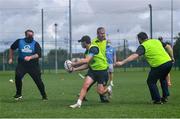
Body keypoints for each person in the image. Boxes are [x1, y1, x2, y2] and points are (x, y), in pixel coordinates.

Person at [115, 32, 173, 104]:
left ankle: (157, 100)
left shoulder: (143, 45)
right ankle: (165, 97)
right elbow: (169, 47)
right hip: (169, 62)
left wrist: (122, 62)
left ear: (139, 39)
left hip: (159, 65)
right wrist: (172, 57)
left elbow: (135, 55)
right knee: (163, 78)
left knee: (151, 81)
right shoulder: (156, 41)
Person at [69, 35, 112, 108]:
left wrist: (73, 64)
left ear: (85, 42)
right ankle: (78, 103)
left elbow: (86, 60)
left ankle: (108, 89)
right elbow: (87, 65)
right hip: (93, 71)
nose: (81, 44)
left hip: (102, 71)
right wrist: (74, 69)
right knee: (85, 85)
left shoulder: (93, 48)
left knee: (100, 92)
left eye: (81, 42)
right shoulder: (86, 52)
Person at [9, 29, 47, 101]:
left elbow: (39, 54)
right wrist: (10, 58)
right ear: (26, 35)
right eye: (29, 35)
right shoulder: (19, 41)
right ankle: (18, 94)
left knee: (38, 81)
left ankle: (44, 95)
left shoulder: (35, 43)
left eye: (32, 35)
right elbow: (11, 48)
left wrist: (30, 57)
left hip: (33, 65)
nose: (31, 36)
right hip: (22, 64)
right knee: (18, 75)